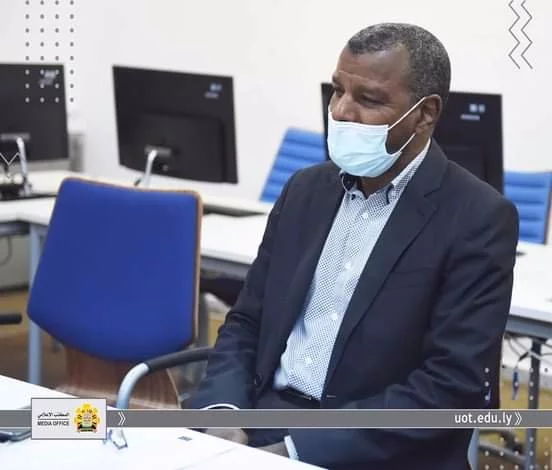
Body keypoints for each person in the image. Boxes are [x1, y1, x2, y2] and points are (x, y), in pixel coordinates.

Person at [191, 22, 519, 470]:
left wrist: (294, 452)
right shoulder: (305, 190)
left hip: (374, 450)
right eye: (337, 91)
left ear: (425, 114)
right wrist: (223, 414)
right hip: (259, 422)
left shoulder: (477, 217)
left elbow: (450, 385)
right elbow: (247, 322)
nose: (342, 111)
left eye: (369, 99)